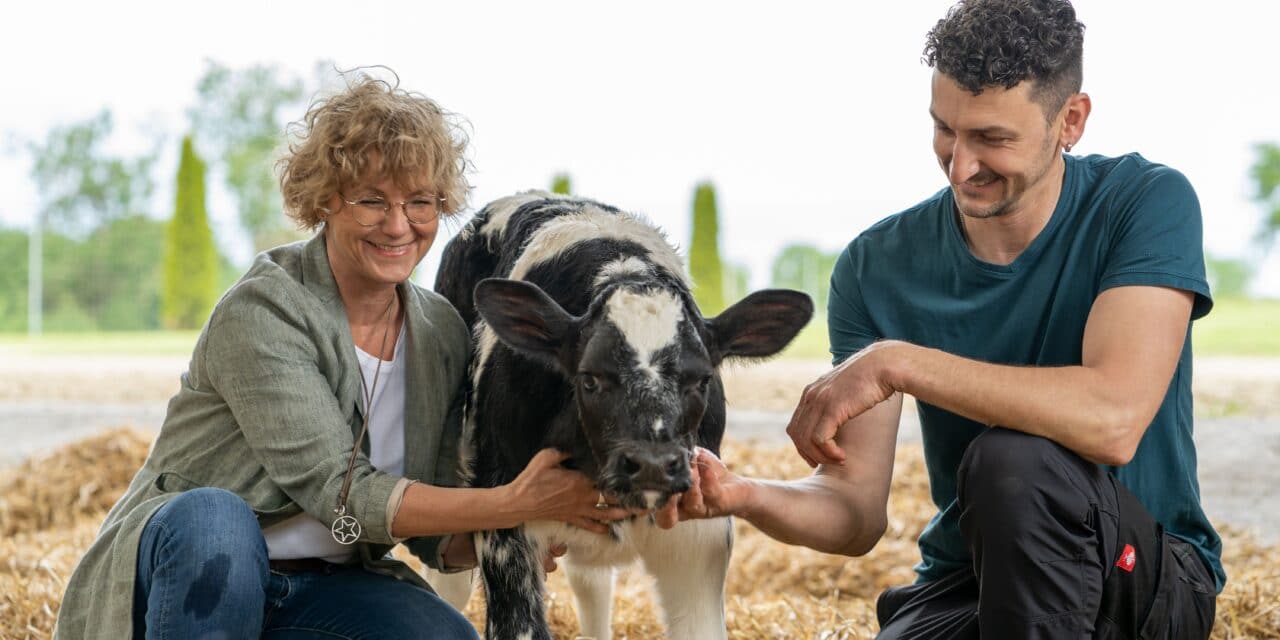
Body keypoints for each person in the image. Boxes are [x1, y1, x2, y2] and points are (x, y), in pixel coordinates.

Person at [658, 1, 1221, 638]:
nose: (960, 166)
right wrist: (744, 494)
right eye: (945, 130)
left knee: (1013, 463)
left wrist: (898, 362)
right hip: (969, 583)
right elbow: (855, 511)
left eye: (993, 138)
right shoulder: (876, 266)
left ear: (1071, 121)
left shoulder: (1144, 203)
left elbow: (1113, 420)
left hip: (1138, 582)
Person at [54, 71, 633, 639]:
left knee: (443, 636)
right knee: (216, 519)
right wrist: (508, 501)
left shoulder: (439, 332)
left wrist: (522, 528)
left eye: (421, 202)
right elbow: (342, 491)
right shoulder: (264, 309)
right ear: (325, 199)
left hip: (321, 586)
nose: (399, 225)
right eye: (372, 200)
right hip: (188, 580)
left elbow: (434, 530)